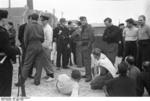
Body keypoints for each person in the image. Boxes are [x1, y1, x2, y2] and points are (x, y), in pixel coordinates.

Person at [21, 13, 44, 86]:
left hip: (31, 45)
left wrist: (27, 46)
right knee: (39, 65)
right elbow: (43, 39)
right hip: (39, 45)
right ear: (37, 19)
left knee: (27, 64)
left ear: (31, 18)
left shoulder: (28, 26)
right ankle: (37, 81)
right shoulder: (40, 26)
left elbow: (25, 39)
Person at [0, 9, 19, 96]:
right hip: (3, 63)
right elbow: (7, 49)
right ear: (3, 19)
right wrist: (18, 50)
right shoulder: (2, 32)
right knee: (4, 88)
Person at [39, 14, 54, 81]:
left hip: (46, 47)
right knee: (44, 61)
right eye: (41, 20)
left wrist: (44, 46)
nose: (42, 21)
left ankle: (51, 76)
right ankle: (48, 74)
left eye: (43, 20)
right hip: (43, 46)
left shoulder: (48, 28)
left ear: (47, 20)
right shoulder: (44, 27)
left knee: (47, 62)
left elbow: (49, 40)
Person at [79, 16, 95, 82]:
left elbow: (92, 39)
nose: (82, 21)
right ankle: (87, 74)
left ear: (86, 20)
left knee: (87, 62)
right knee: (85, 62)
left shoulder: (89, 27)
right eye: (81, 20)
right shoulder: (82, 27)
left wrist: (88, 47)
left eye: (83, 20)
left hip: (87, 47)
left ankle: (89, 76)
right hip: (83, 46)